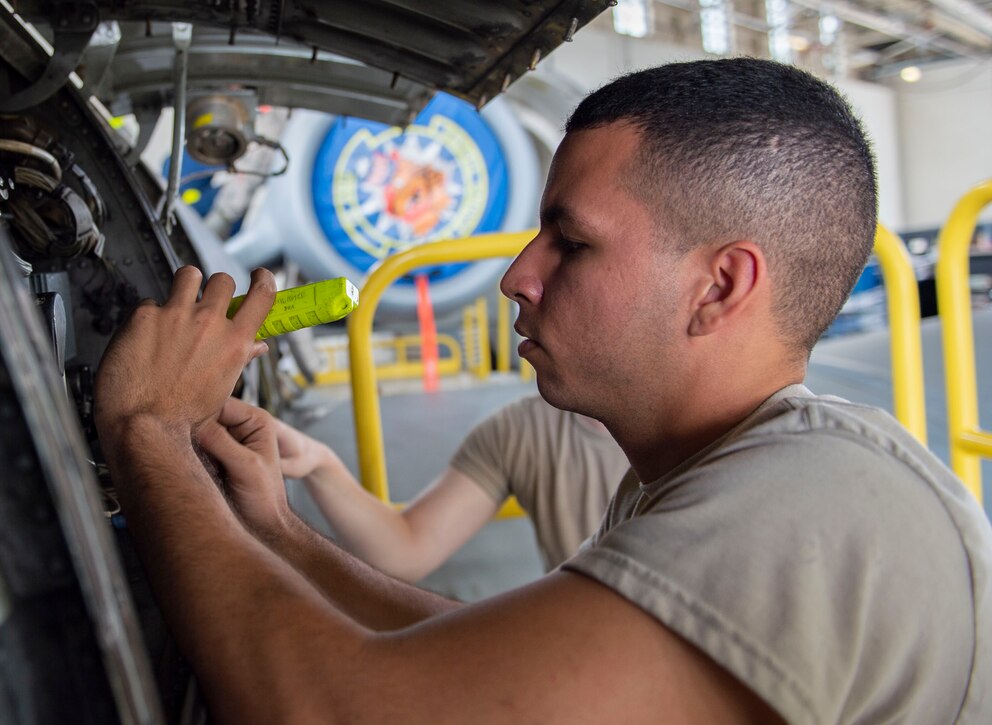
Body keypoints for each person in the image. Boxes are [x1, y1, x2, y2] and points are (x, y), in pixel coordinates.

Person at [94, 58, 992, 723]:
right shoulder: (708, 478)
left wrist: (149, 430)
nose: (519, 275)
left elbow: (338, 712)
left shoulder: (808, 506)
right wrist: (274, 531)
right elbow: (491, 666)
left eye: (572, 241)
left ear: (720, 286)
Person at [277, 395, 628, 581]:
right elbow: (405, 549)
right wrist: (319, 463)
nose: (516, 284)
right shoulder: (524, 429)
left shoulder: (685, 443)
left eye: (575, 253)